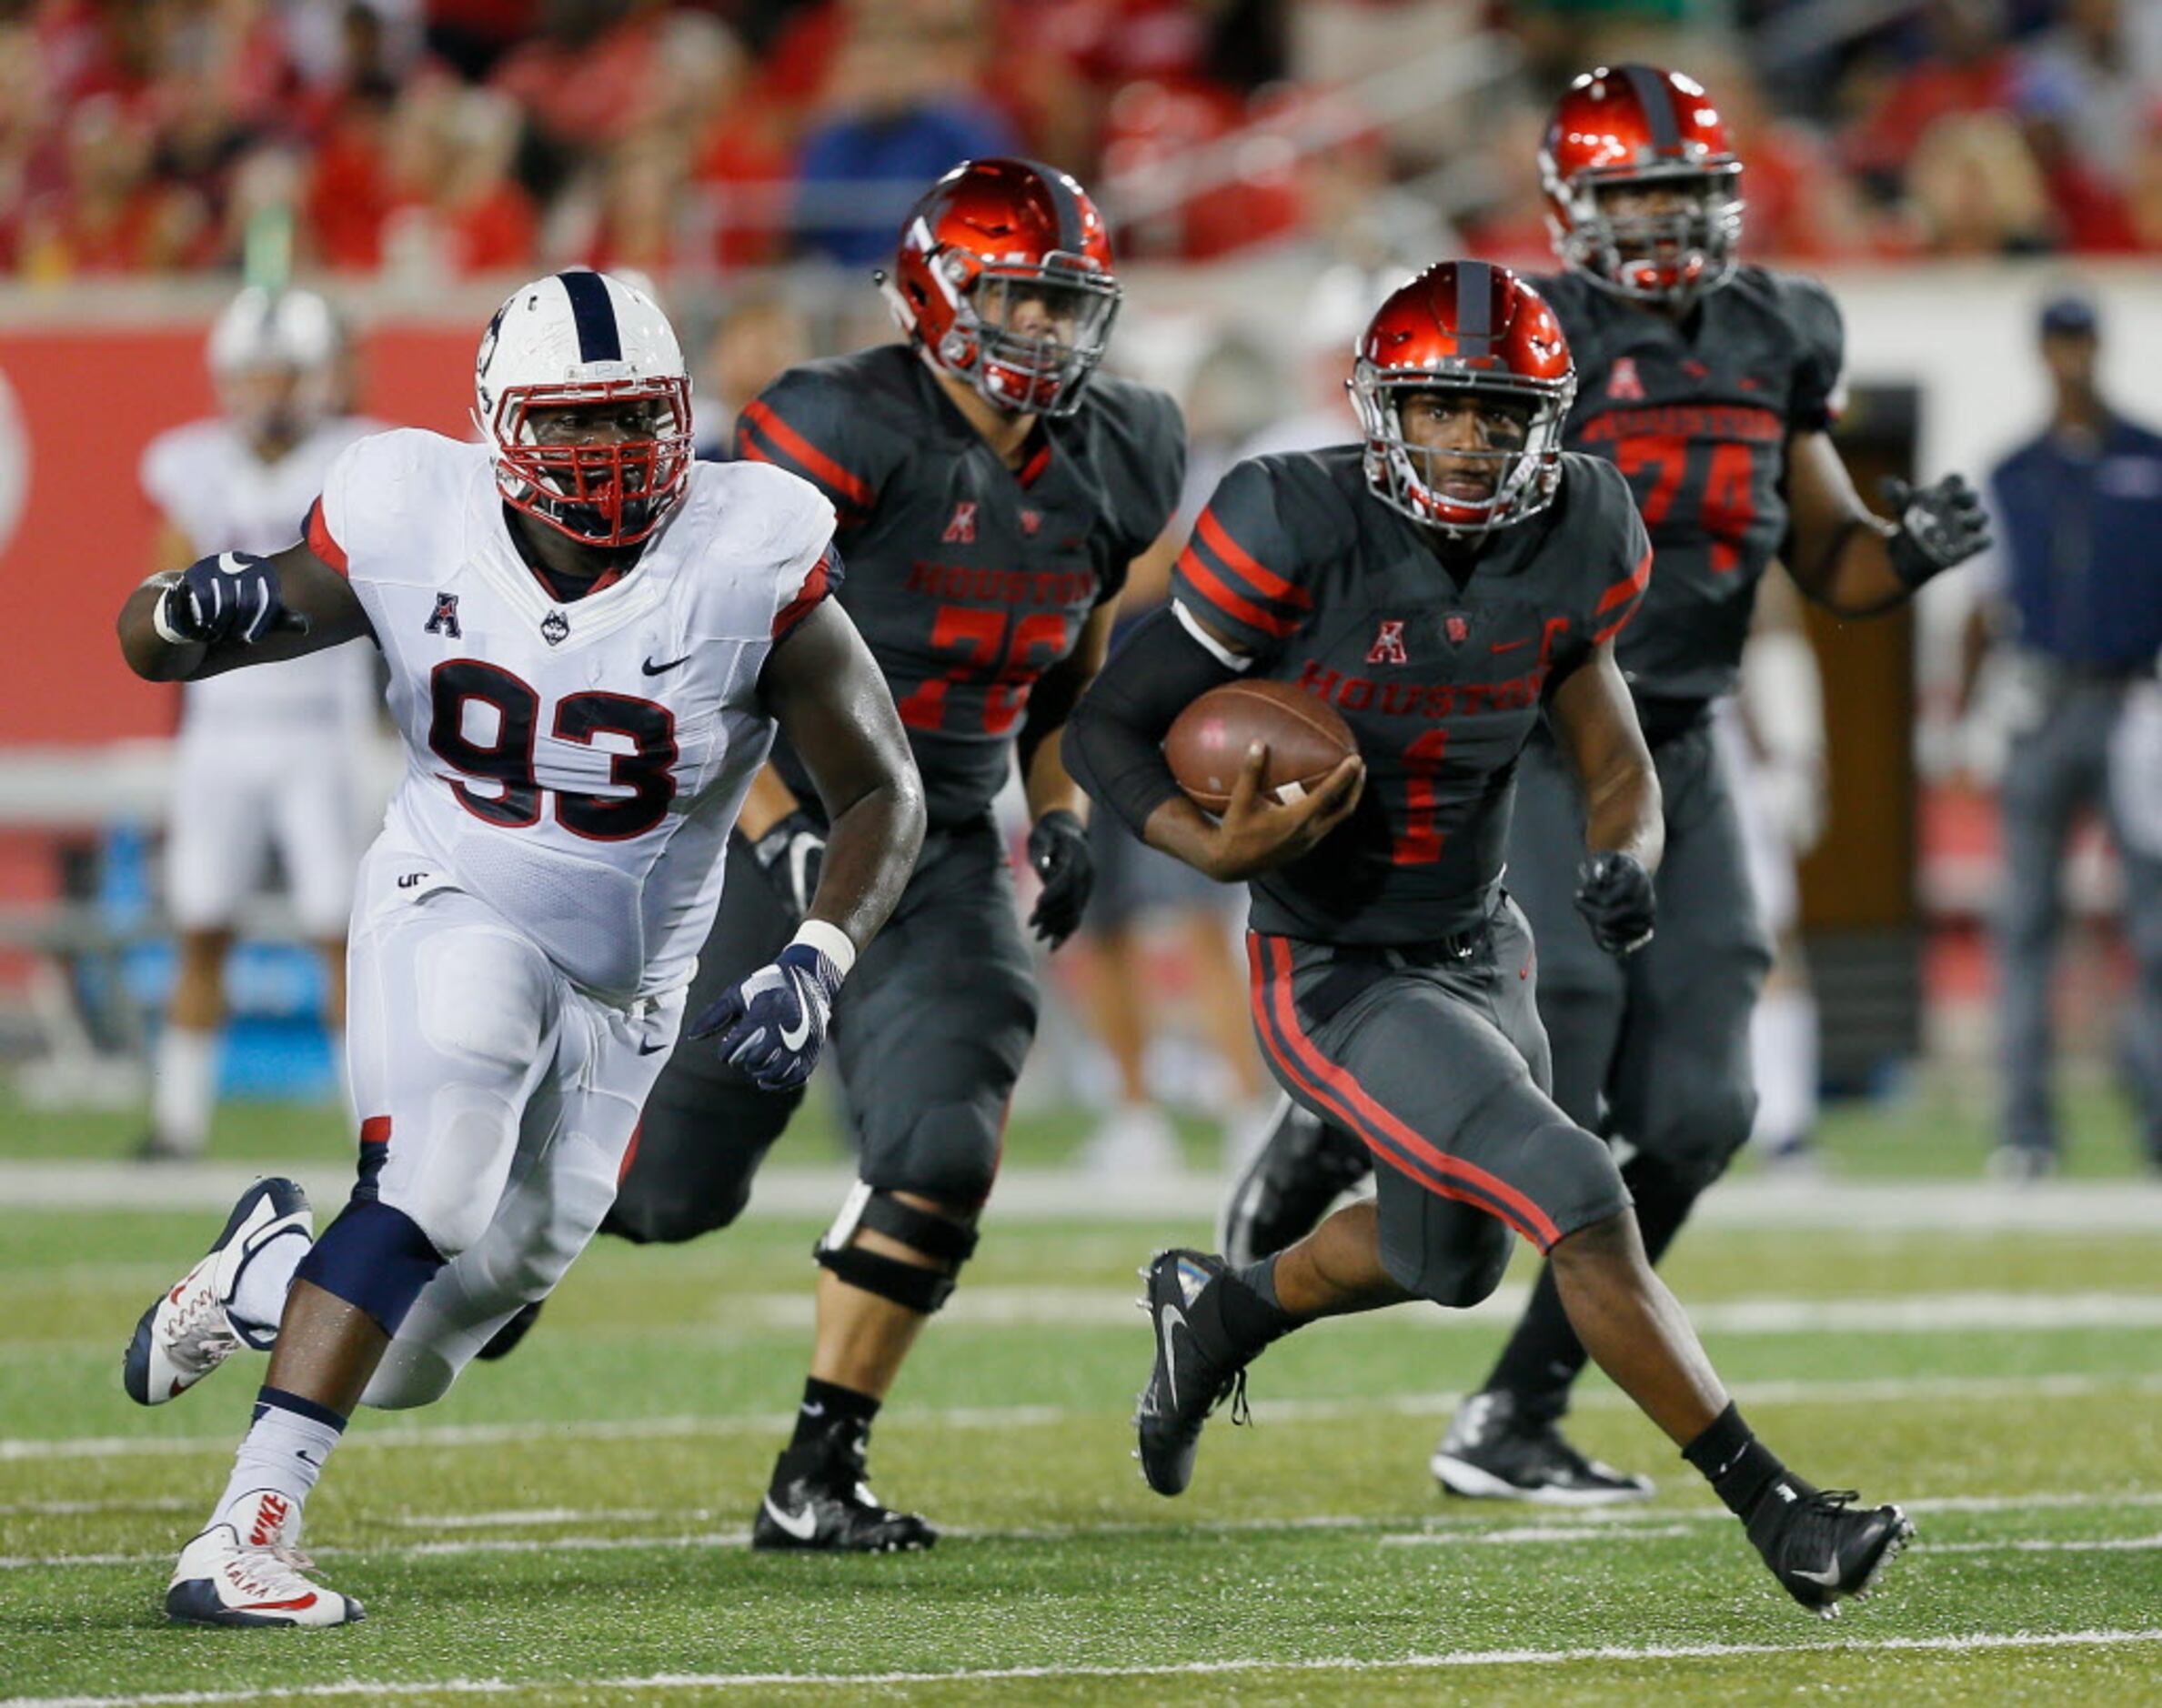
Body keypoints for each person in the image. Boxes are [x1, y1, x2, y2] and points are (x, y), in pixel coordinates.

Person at [1067, 259, 1916, 1618]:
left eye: (1497, 411)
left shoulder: (1579, 525)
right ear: (1378, 406)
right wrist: (1204, 839)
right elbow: (1107, 717)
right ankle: (1782, 1512)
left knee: (1446, 1260)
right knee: (1577, 1185)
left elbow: (1611, 743)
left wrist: (1626, 856)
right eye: (1441, 408)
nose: (1469, 440)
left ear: (1548, 418)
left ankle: (1217, 1309)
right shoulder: (1289, 517)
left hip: (1480, 939)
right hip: (1332, 962)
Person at [1219, 65, 1989, 1504]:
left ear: (1722, 199)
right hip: (1520, 734)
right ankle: (1339, 1112)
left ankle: (1514, 1408)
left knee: (1701, 1109)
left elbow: (1830, 558)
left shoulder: (1778, 328)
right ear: (1573, 202)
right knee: (1551, 1055)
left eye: (1678, 192)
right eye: (1628, 192)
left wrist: (1910, 552)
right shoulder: (1526, 332)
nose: (1654, 220)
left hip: (1681, 739)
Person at [115, 269, 926, 1626]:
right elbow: (165, 637)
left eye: (631, 421)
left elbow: (883, 789)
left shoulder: (750, 547)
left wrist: (819, 954)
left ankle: (267, 1268)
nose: (604, 456)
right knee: (429, 1185)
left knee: (447, 1333)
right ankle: (241, 1531)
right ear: (499, 424)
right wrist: (180, 614)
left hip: (636, 978)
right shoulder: (408, 510)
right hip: (457, 889)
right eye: (570, 424)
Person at [583, 159, 1184, 1552]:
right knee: (672, 1192)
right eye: (1017, 294)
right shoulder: (833, 427)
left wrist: (1071, 806)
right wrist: (779, 829)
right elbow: (697, 666)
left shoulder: (1125, 446)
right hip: (779, 814)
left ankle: (817, 1470)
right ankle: (492, 1250)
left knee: (943, 1139)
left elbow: (1068, 656)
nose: (1043, 326)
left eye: (1062, 299)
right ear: (938, 291)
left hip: (951, 841)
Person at [137, 286, 377, 1161]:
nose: (271, 389)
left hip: (323, 724)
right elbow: (158, 601)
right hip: (223, 727)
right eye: (257, 372)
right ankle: (177, 1123)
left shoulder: (358, 455)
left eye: (287, 371)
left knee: (342, 934)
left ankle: (373, 1131)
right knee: (202, 922)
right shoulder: (188, 464)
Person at [1962, 292, 2162, 1178]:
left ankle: (2154, 1114)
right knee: (2025, 924)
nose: (2070, 357)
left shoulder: (2148, 461)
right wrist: (1960, 718)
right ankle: (2027, 1128)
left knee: (2153, 925)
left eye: (2080, 340)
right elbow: (1982, 602)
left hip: (2135, 705)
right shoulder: (2009, 471)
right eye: (2058, 342)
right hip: (2039, 702)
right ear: (2042, 351)